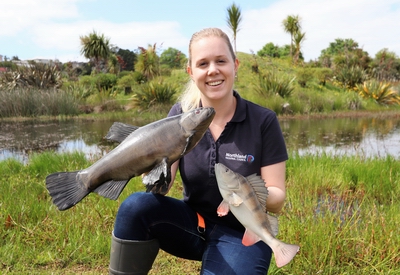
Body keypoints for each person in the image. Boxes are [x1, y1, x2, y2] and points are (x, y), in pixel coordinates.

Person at [109, 27, 288, 275]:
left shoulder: (263, 121)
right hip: (193, 224)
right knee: (136, 206)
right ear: (191, 72)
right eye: (203, 63)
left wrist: (249, 192)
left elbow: (278, 199)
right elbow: (164, 185)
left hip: (244, 233)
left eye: (221, 61)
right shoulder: (179, 116)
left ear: (235, 65)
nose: (212, 70)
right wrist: (148, 167)